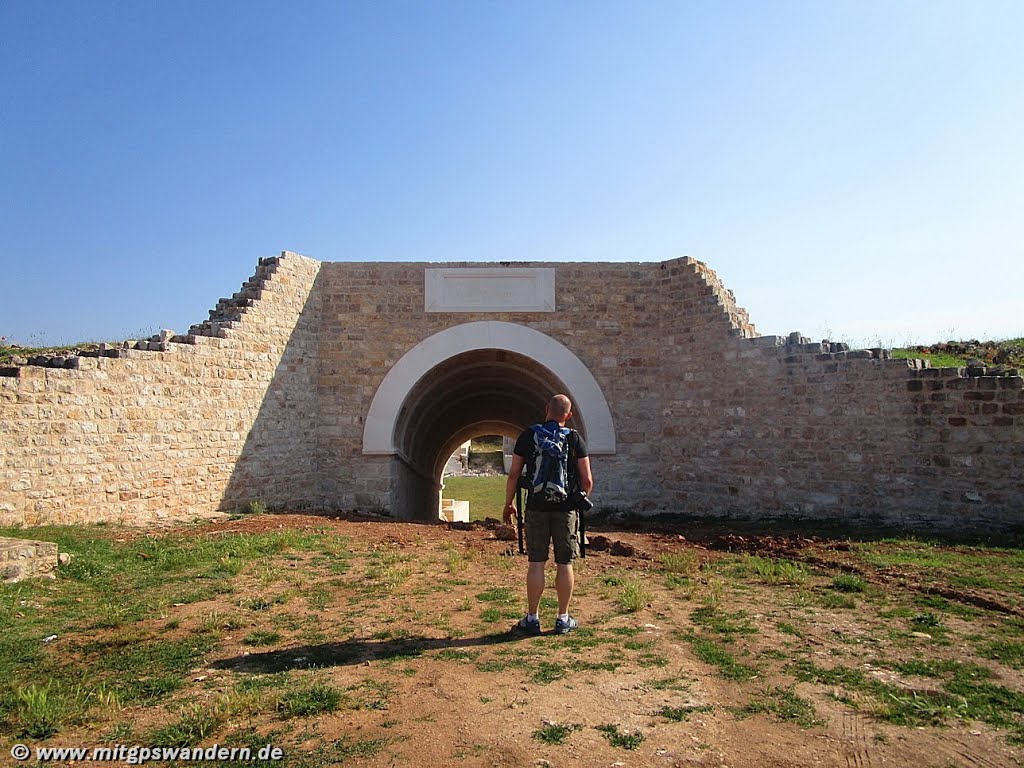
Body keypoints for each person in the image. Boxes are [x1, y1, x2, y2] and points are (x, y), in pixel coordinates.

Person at [503, 394, 593, 635]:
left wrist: (508, 503)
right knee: (565, 563)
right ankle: (563, 618)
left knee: (536, 563)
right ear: (569, 415)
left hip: (536, 507)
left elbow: (514, 474)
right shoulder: (574, 438)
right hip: (566, 510)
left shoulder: (529, 435)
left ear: (546, 410)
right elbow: (587, 480)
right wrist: (577, 499)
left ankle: (532, 618)